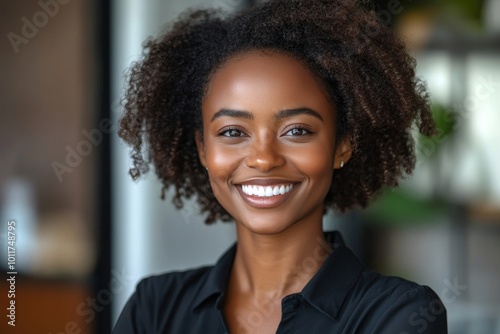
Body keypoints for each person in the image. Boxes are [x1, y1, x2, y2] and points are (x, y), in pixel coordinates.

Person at [113, 0, 447, 333]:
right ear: (203, 148)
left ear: (342, 145)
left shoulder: (396, 315)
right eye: (232, 132)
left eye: (297, 131)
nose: (263, 158)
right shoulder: (154, 310)